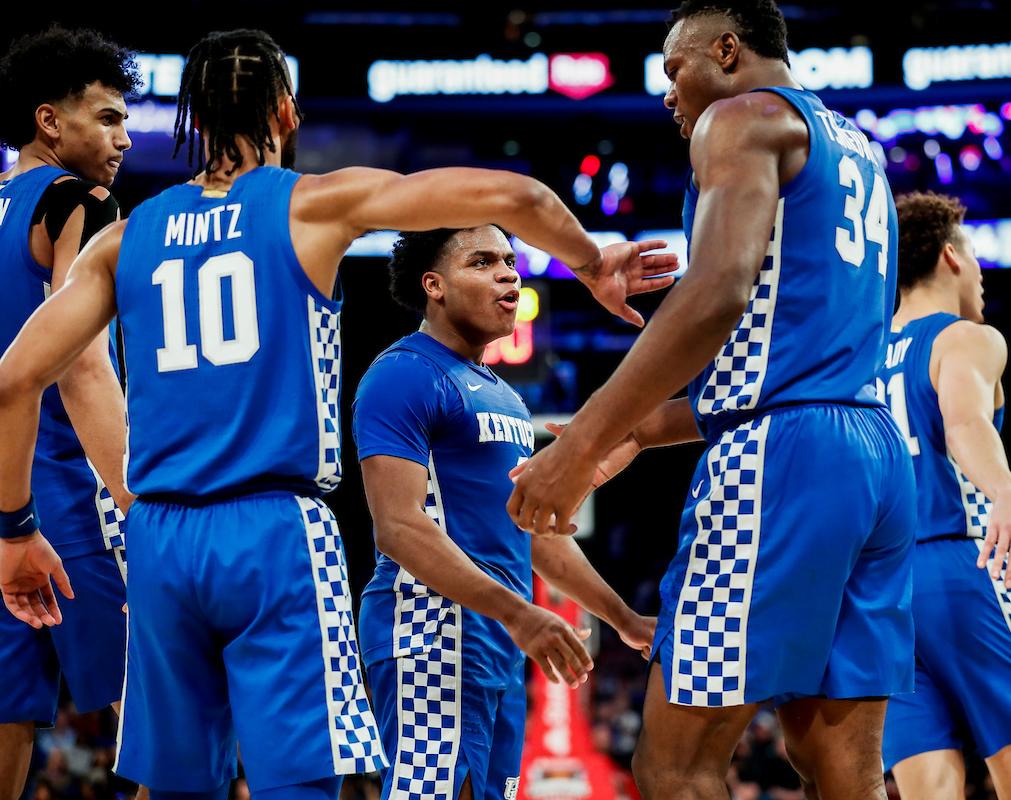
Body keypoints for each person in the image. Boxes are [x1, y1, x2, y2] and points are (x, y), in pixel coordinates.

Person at [0, 28, 675, 800]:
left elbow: (15, 381)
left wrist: (16, 529)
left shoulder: (125, 239)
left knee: (175, 789)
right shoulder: (313, 206)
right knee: (306, 782)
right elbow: (515, 196)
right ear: (285, 112)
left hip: (159, 536)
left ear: (193, 119)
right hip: (274, 530)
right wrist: (593, 262)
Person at [508, 2, 918, 798]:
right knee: (844, 770)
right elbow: (787, 359)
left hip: (784, 461)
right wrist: (635, 436)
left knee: (674, 766)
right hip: (872, 453)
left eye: (674, 68)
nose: (668, 93)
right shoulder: (856, 148)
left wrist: (581, 442)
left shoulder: (739, 116)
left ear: (727, 50)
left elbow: (716, 293)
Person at [353, 224, 659, 800]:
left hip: (496, 639)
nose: (508, 273)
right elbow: (398, 527)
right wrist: (521, 614)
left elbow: (536, 533)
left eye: (511, 260)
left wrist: (623, 620)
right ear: (434, 285)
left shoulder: (506, 397)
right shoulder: (403, 374)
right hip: (429, 631)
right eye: (483, 261)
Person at [874, 191, 1011, 799]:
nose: (981, 273)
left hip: (881, 590)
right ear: (952, 256)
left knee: (929, 790)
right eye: (977, 256)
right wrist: (1001, 489)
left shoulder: (860, 359)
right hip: (964, 567)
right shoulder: (967, 338)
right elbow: (963, 421)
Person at [0, 26, 141, 800]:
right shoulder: (80, 199)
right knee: (156, 693)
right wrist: (134, 495)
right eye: (109, 118)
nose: (124, 137)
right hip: (61, 481)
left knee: (9, 715)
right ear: (51, 121)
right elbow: (83, 364)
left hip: (2, 500)